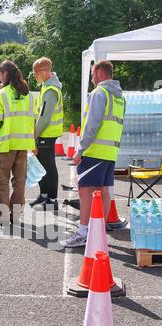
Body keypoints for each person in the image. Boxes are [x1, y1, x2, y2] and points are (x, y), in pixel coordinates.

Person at [64, 60, 125, 248]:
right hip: (110, 152)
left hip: (94, 151)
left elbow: (92, 125)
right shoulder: (120, 97)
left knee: (85, 191)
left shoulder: (99, 93)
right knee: (104, 191)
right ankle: (96, 231)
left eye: (92, 74)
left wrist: (80, 149)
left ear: (99, 72)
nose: (91, 78)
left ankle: (83, 232)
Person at [0, 60, 36, 225]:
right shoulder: (28, 95)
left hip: (5, 146)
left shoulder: (0, 95)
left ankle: (4, 217)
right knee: (19, 182)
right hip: (23, 146)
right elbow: (32, 121)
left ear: (5, 74)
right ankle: (16, 215)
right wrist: (33, 144)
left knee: (2, 182)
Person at [30, 57, 63, 212]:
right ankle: (44, 196)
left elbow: (44, 118)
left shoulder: (50, 90)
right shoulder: (46, 86)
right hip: (44, 134)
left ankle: (52, 200)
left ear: (44, 72)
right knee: (41, 165)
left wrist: (33, 136)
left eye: (36, 73)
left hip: (47, 134)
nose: (34, 76)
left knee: (49, 167)